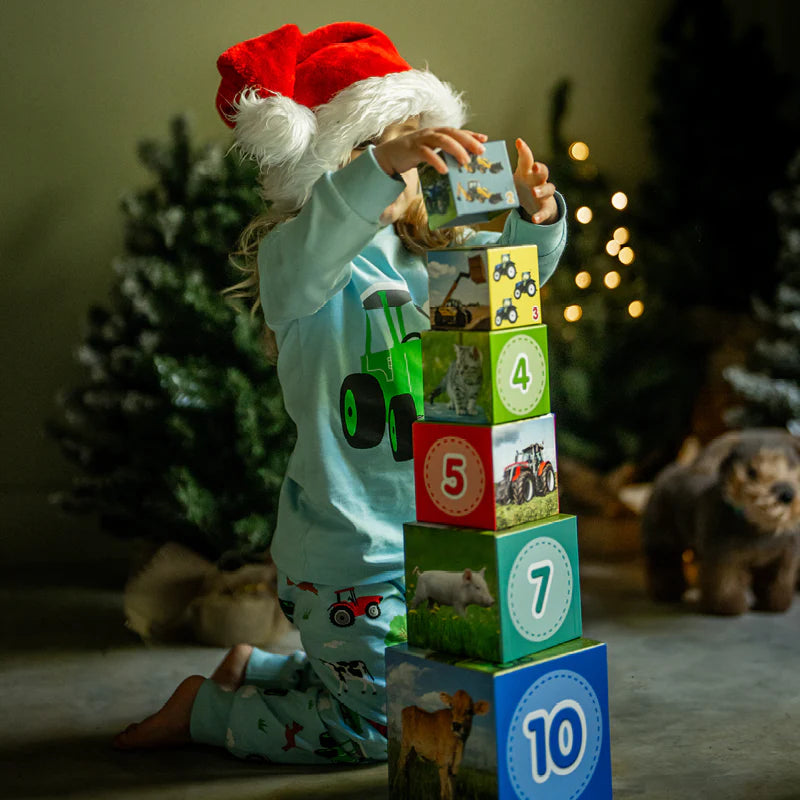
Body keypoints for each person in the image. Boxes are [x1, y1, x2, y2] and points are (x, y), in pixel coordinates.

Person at [114, 21, 567, 763]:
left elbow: (510, 285)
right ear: (321, 167)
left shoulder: (433, 253)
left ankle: (261, 670)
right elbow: (331, 225)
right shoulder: (301, 268)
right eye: (365, 154)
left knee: (457, 679)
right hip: (348, 553)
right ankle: (208, 712)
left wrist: (534, 216)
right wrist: (379, 166)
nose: (395, 171)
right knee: (389, 725)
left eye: (407, 150)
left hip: (444, 526)